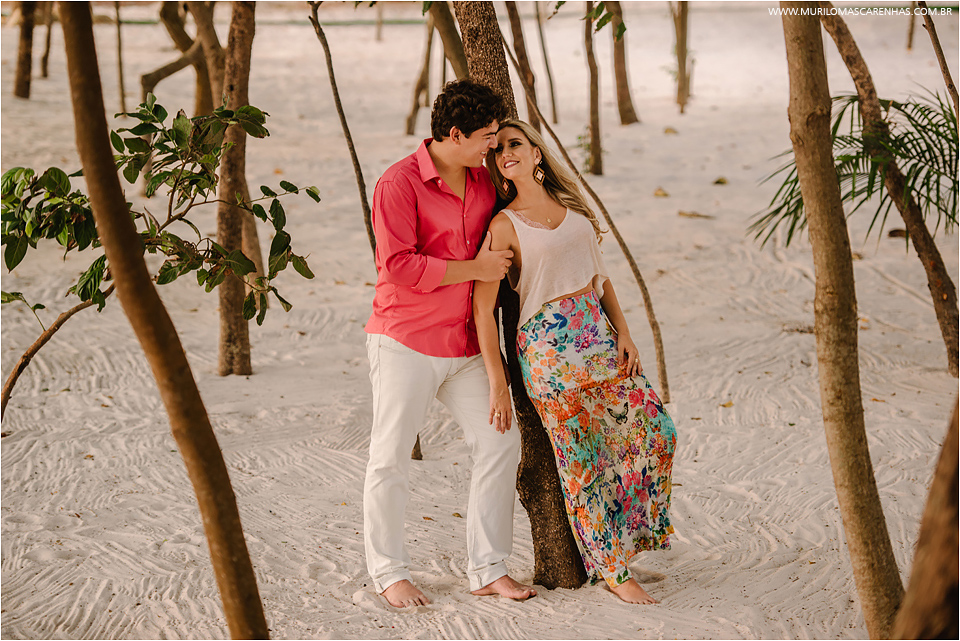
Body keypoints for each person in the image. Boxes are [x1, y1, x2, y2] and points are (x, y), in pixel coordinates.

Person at [473, 119, 677, 605]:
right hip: (548, 354)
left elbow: (601, 280)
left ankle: (630, 541)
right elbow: (483, 307)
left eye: (515, 144)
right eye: (498, 150)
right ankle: (613, 570)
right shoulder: (504, 225)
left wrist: (625, 332)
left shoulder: (574, 213)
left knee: (656, 432)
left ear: (537, 153)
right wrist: (498, 382)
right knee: (580, 464)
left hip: (599, 340)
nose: (505, 153)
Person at [363, 82, 537, 608]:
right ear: (454, 134)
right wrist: (475, 269)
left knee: (500, 444)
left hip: (466, 345)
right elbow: (397, 265)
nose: (493, 146)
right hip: (405, 342)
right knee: (390, 457)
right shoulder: (399, 183)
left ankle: (487, 567)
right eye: (486, 138)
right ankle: (389, 573)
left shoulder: (486, 184)